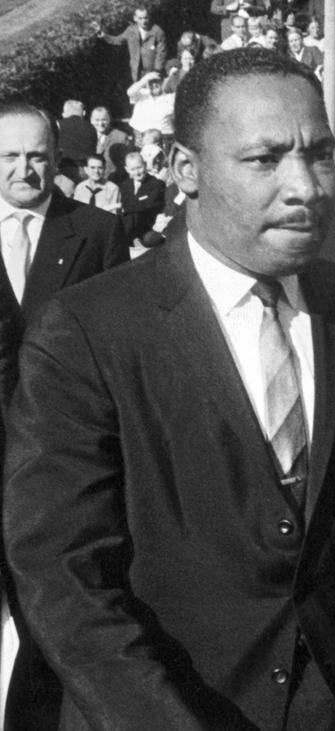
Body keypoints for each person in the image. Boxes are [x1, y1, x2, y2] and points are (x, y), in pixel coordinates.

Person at [1, 48, 335, 729]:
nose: (305, 186)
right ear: (186, 169)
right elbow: (64, 576)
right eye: (264, 159)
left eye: (320, 154)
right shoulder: (87, 332)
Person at [0, 101, 129, 731]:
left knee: (55, 611)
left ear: (57, 158)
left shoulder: (97, 232)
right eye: (9, 156)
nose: (24, 170)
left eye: (37, 156)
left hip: (64, 458)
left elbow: (119, 345)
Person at [95, 6, 167, 81]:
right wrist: (104, 36)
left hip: (153, 72)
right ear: (135, 18)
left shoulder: (158, 32)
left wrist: (157, 70)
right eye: (140, 18)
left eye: (146, 18)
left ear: (149, 17)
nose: (144, 21)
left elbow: (161, 53)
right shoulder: (130, 31)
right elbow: (118, 40)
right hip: (137, 72)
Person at [118, 151, 167, 244]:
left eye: (139, 168)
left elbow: (148, 205)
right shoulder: (125, 185)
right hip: (129, 226)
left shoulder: (157, 184)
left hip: (147, 227)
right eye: (133, 169)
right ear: (127, 169)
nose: (137, 172)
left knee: (134, 214)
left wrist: (124, 207)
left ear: (145, 164)